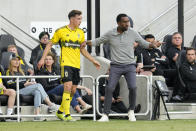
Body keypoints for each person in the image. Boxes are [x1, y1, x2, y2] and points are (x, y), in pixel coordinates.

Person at [86, 13, 161, 122]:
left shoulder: (132, 32)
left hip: (130, 66)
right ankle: (105, 115)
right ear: (118, 23)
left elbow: (144, 44)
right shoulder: (110, 33)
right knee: (109, 88)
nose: (127, 24)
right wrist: (86, 43)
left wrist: (153, 44)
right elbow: (98, 41)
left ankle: (131, 111)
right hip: (115, 66)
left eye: (128, 22)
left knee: (133, 87)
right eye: (125, 22)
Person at [37, 10, 100, 121]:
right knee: (67, 86)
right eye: (79, 18)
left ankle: (60, 111)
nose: (80, 21)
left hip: (76, 65)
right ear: (72, 19)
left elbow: (82, 50)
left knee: (73, 90)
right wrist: (42, 58)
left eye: (81, 18)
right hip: (66, 63)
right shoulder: (61, 31)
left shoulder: (80, 32)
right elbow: (49, 45)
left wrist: (93, 60)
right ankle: (67, 114)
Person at [4, 55, 57, 120]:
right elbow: (10, 86)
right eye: (14, 60)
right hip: (16, 91)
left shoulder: (22, 72)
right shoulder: (8, 72)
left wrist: (30, 78)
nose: (17, 62)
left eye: (18, 60)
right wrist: (26, 84)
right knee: (38, 86)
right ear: (10, 61)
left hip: (24, 90)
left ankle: (36, 115)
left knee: (37, 91)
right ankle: (50, 104)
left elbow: (26, 82)